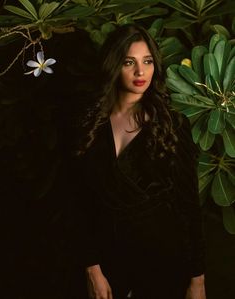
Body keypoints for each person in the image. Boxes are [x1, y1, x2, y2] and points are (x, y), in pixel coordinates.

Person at [75, 24, 206, 299]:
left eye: (147, 61)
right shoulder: (90, 125)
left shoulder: (171, 125)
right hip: (111, 264)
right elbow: (81, 202)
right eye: (129, 62)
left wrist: (197, 281)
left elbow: (189, 207)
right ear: (114, 65)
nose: (140, 72)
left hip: (164, 263)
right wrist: (92, 268)